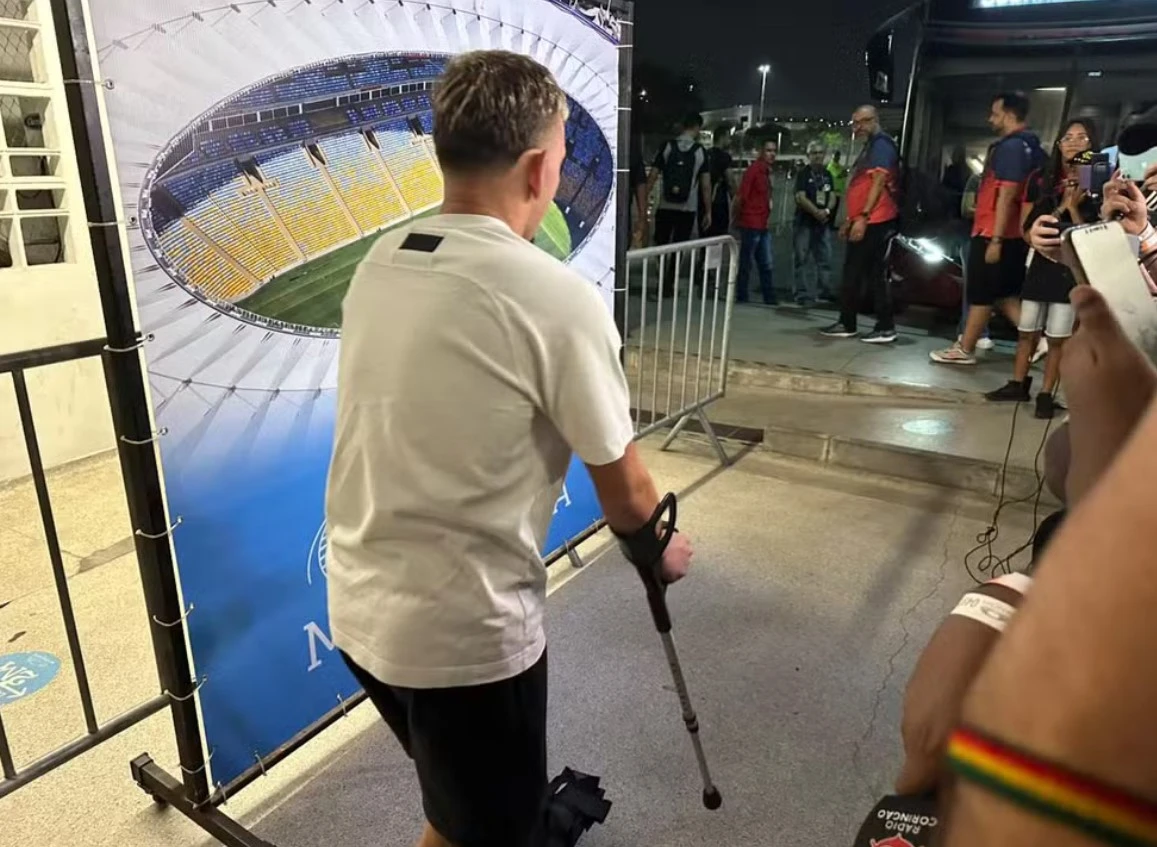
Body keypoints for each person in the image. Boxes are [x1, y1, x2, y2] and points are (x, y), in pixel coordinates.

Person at [325, 50, 694, 847]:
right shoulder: (555, 297)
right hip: (464, 637)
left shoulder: (379, 263)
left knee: (462, 809)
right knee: (496, 829)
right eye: (559, 157)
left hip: (361, 613)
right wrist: (662, 548)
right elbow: (626, 492)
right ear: (536, 167)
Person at [985, 119, 1099, 418]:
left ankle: (1046, 394)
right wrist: (1060, 206)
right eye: (1067, 138)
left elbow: (1092, 236)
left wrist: (1075, 206)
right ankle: (1017, 383)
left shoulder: (1097, 188)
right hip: (1040, 267)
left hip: (1069, 273)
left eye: (1082, 137)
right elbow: (1027, 228)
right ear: (1059, 145)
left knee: (1059, 337)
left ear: (1092, 145)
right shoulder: (1045, 183)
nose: (1073, 143)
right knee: (1027, 331)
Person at [931, 92, 1045, 365]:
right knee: (1004, 295)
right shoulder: (1034, 147)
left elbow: (1006, 194)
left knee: (981, 294)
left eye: (994, 113)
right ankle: (1040, 341)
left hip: (995, 233)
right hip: (1015, 234)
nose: (990, 119)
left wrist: (994, 239)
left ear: (1008, 114)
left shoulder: (1011, 147)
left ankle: (965, 348)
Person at [821, 104, 901, 344]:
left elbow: (878, 181)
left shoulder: (882, 145)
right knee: (862, 273)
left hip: (876, 220)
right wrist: (850, 218)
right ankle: (857, 323)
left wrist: (863, 217)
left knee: (864, 274)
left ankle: (873, 325)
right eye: (855, 123)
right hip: (868, 219)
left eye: (862, 122)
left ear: (874, 120)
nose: (857, 128)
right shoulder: (873, 146)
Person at [648, 112, 712, 248]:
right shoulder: (700, 151)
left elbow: (652, 176)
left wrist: (643, 203)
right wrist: (708, 211)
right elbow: (706, 185)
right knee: (679, 246)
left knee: (660, 244)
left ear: (683, 126)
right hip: (687, 208)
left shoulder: (667, 147)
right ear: (697, 127)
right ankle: (673, 269)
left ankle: (661, 268)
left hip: (665, 205)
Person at [733, 139, 778, 304]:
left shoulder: (766, 173)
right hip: (750, 223)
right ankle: (743, 295)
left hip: (761, 223)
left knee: (765, 262)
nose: (772, 154)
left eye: (774, 150)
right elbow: (741, 197)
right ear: (761, 152)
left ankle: (768, 297)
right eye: (768, 150)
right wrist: (736, 218)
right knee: (748, 262)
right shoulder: (753, 171)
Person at [792, 141, 835, 305]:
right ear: (808, 156)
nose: (817, 156)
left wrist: (827, 211)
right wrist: (815, 212)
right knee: (801, 259)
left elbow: (831, 196)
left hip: (822, 223)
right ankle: (801, 293)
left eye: (820, 152)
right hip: (804, 222)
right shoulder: (803, 174)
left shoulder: (827, 175)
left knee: (825, 258)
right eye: (814, 153)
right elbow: (800, 197)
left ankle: (824, 291)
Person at [702, 127, 737, 239]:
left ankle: (704, 256)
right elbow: (730, 181)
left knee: (705, 235)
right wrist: (736, 201)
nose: (730, 141)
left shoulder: (705, 154)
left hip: (703, 202)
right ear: (722, 138)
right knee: (718, 238)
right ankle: (714, 257)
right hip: (719, 202)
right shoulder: (724, 157)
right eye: (728, 138)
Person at [942, 144, 969, 218]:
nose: (954, 157)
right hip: (952, 205)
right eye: (954, 154)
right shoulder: (967, 170)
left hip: (957, 205)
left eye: (956, 154)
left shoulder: (966, 171)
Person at [827, 149, 849, 228]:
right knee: (831, 209)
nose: (837, 157)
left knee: (835, 210)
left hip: (839, 192)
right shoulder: (831, 166)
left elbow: (844, 173)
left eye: (838, 156)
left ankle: (831, 224)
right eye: (835, 155)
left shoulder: (839, 166)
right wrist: (844, 172)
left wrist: (845, 171)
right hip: (833, 191)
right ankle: (828, 225)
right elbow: (838, 175)